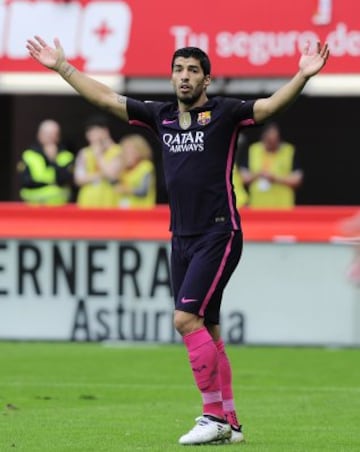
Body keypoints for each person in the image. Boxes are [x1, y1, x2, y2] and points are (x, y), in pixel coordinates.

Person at [26, 35, 329, 445]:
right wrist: (63, 68)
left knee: (185, 320)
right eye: (178, 69)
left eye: (192, 71)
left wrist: (302, 76)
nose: (184, 77)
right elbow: (106, 99)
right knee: (211, 330)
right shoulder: (161, 115)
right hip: (181, 237)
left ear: (207, 79)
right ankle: (231, 422)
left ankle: (212, 415)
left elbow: (270, 106)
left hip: (219, 231)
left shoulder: (224, 113)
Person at [239, 122, 303, 208]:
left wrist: (275, 178)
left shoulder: (289, 151)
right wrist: (258, 174)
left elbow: (297, 179)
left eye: (274, 140)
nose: (272, 144)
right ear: (263, 137)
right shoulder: (253, 150)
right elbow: (243, 178)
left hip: (283, 208)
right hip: (257, 207)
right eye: (269, 140)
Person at [18, 119, 74, 205]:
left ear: (58, 136)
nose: (50, 137)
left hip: (58, 206)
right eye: (47, 133)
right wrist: (51, 182)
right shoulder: (29, 154)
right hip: (33, 206)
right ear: (39, 134)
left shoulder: (66, 155)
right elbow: (26, 181)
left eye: (53, 134)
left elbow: (64, 180)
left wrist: (53, 160)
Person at [74, 115, 122, 208]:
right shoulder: (84, 153)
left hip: (109, 202)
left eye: (94, 132)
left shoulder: (118, 151)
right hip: (86, 202)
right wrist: (100, 175)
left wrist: (98, 155)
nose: (90, 136)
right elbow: (78, 179)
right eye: (89, 133)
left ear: (105, 131)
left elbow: (111, 175)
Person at [115, 134, 156, 208]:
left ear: (140, 151)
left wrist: (127, 190)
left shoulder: (145, 166)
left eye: (130, 150)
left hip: (142, 212)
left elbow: (144, 191)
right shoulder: (123, 168)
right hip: (124, 211)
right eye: (124, 150)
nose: (126, 153)